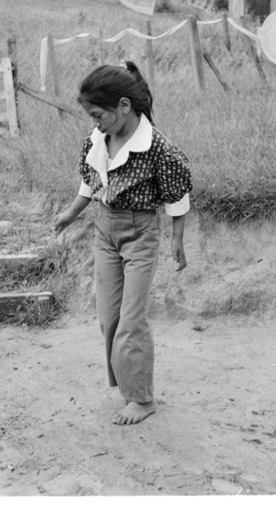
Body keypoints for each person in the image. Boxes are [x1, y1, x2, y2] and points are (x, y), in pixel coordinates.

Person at [54, 61, 192, 425]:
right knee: (108, 318)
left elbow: (176, 193)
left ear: (124, 107)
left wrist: (177, 239)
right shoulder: (98, 139)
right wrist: (71, 213)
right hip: (105, 231)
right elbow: (91, 181)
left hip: (140, 235)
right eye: (91, 116)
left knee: (132, 319)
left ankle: (142, 398)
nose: (94, 122)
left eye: (98, 114)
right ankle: (126, 383)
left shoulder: (157, 147)